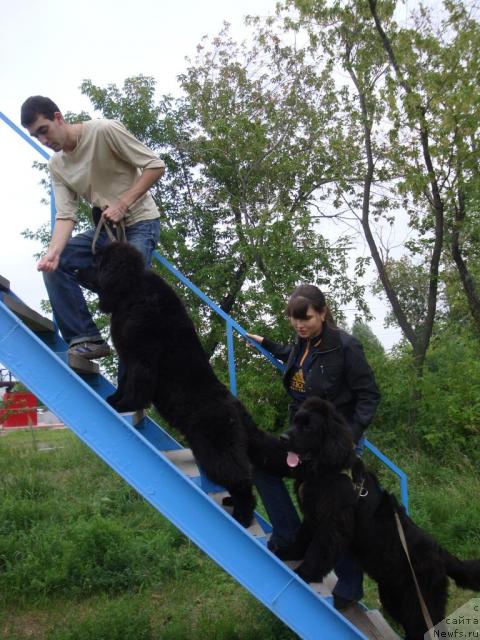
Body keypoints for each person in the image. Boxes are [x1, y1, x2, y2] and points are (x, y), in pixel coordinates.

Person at [248, 284, 380, 610]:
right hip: (303, 438)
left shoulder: (346, 347)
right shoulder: (304, 342)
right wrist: (267, 343)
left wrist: (348, 436)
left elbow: (369, 395)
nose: (299, 325)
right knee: (261, 464)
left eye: (304, 318)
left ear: (322, 312)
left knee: (334, 517)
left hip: (335, 448)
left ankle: (349, 586)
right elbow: (297, 364)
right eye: (294, 320)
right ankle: (290, 538)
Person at [20, 95, 165, 359]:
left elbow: (155, 166)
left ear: (58, 118)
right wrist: (52, 252)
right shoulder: (57, 165)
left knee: (129, 299)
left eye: (44, 131)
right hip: (107, 233)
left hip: (140, 223)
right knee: (57, 263)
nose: (43, 140)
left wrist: (123, 203)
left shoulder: (103, 130)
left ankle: (131, 392)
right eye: (35, 137)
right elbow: (65, 215)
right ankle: (86, 338)